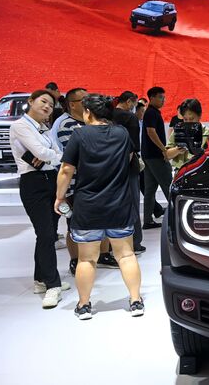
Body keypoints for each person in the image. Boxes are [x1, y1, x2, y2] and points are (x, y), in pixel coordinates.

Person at [55, 94, 144, 320]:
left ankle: (84, 305)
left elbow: (66, 170)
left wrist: (59, 197)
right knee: (126, 255)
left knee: (86, 259)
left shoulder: (80, 135)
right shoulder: (122, 133)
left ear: (88, 112)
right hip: (120, 205)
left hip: (89, 206)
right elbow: (130, 158)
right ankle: (135, 301)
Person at [9, 90, 70, 309]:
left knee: (48, 234)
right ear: (31, 102)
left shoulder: (44, 128)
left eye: (50, 105)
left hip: (51, 180)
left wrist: (51, 154)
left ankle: (40, 279)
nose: (46, 107)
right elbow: (44, 154)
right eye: (43, 101)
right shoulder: (20, 126)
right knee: (44, 234)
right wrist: (52, 155)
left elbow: (52, 151)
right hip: (33, 183)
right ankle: (53, 285)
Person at [113, 91, 146, 254]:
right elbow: (132, 148)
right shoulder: (130, 118)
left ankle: (116, 243)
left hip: (109, 166)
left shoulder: (108, 115)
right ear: (128, 102)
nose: (134, 107)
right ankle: (135, 242)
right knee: (132, 203)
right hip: (127, 167)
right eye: (133, 104)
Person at [141, 87, 172, 229]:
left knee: (150, 190)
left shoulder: (150, 113)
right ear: (152, 98)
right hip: (155, 156)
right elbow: (151, 132)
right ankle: (175, 218)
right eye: (160, 97)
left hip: (148, 156)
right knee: (168, 186)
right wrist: (163, 149)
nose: (163, 100)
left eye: (163, 97)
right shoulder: (152, 113)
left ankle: (147, 220)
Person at [165, 98, 209, 172]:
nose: (188, 122)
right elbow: (166, 155)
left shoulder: (207, 133)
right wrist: (177, 150)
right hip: (179, 172)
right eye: (185, 119)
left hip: (199, 172)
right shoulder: (177, 131)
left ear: (199, 116)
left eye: (191, 119)